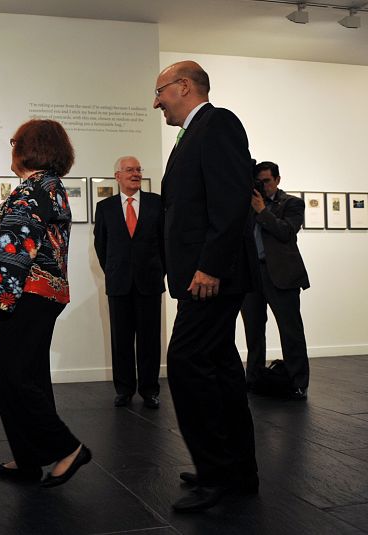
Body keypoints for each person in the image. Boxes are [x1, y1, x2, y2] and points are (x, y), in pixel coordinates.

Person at [153, 61, 258, 512]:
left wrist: (211, 266)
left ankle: (217, 474)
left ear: (184, 86)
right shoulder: (194, 132)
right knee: (220, 368)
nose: (156, 101)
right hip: (199, 276)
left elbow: (232, 200)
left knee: (186, 362)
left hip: (210, 278)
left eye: (160, 92)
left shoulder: (218, 123)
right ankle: (236, 471)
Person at [0, 119, 91, 488]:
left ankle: (67, 448)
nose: (11, 147)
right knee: (27, 376)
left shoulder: (30, 192)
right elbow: (18, 236)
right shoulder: (48, 188)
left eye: (14, 141)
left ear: (27, 148)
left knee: (12, 377)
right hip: (43, 295)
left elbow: (14, 255)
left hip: (25, 295)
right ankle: (29, 457)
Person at [93, 156, 165, 409]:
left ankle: (149, 390)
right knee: (121, 340)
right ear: (118, 176)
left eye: (137, 169)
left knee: (149, 340)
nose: (135, 173)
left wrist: (159, 271)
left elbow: (165, 243)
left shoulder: (157, 203)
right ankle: (123, 390)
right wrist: (114, 271)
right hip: (119, 283)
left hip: (150, 282)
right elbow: (101, 247)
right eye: (129, 170)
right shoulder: (105, 207)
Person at [241, 161, 310, 399]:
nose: (263, 185)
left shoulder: (291, 203)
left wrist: (262, 210)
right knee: (254, 331)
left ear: (278, 180)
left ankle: (298, 382)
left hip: (281, 275)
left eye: (267, 181)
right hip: (251, 275)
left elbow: (286, 233)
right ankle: (254, 379)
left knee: (291, 332)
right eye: (259, 181)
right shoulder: (246, 205)